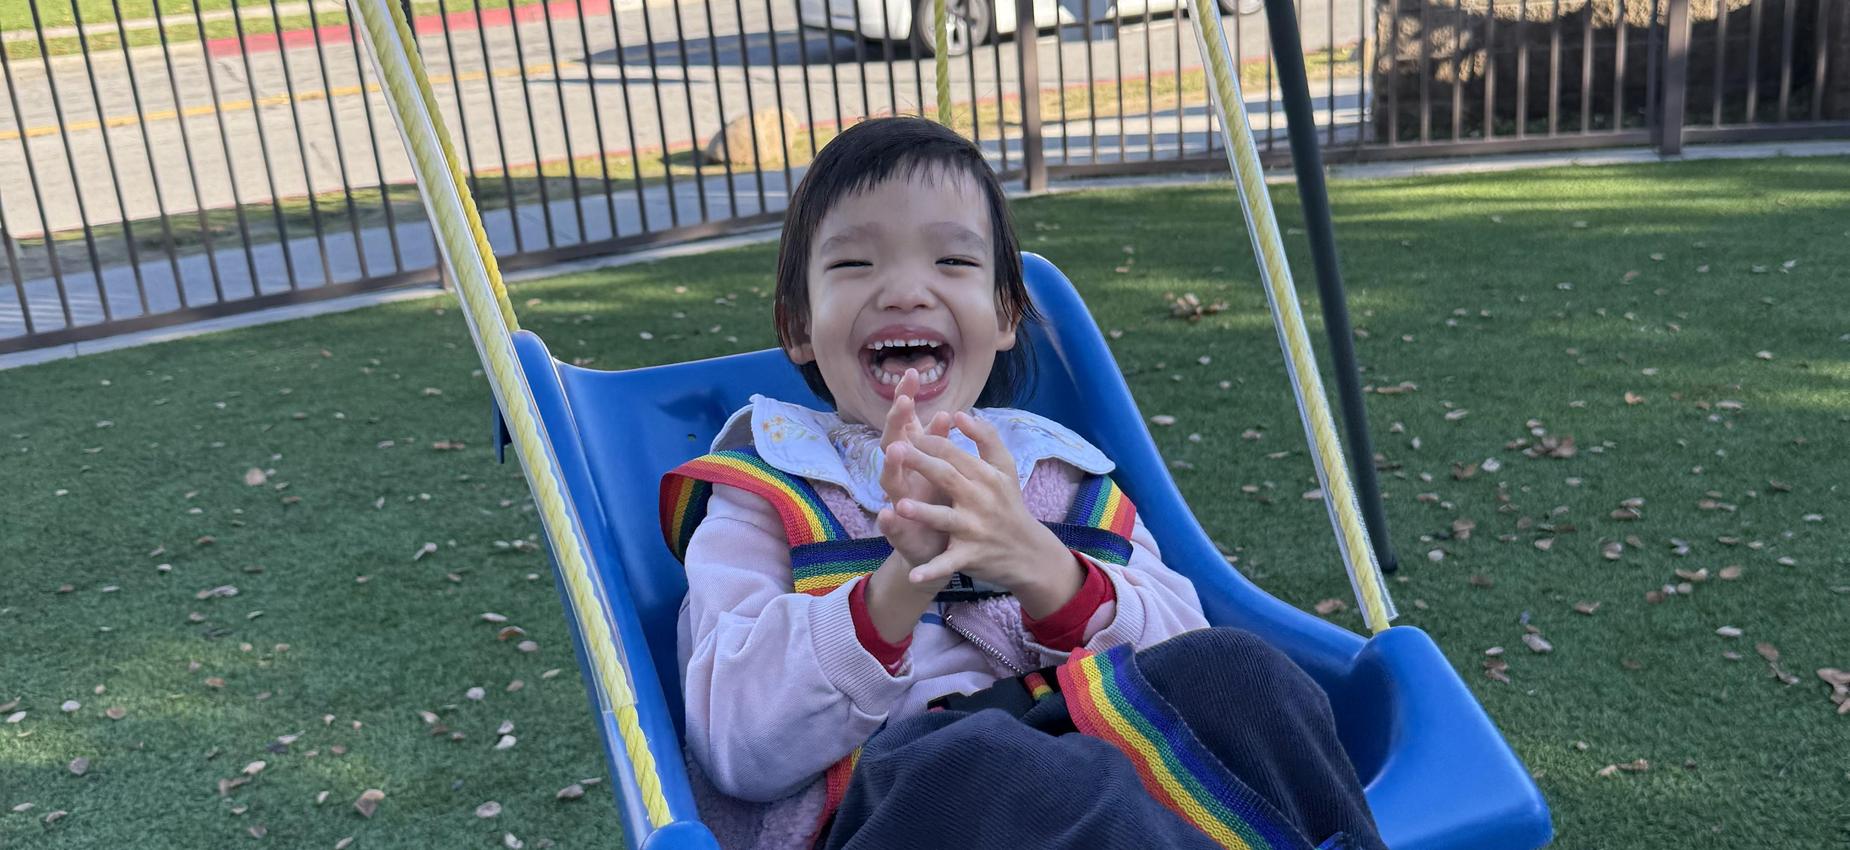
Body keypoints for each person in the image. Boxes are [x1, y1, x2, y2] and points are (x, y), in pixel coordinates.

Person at [660, 116, 1383, 850]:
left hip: (1097, 759)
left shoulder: (1057, 479)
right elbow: (735, 744)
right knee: (1009, 769)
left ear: (1007, 313)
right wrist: (900, 583)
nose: (907, 291)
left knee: (1241, 671)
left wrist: (1043, 566)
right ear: (799, 326)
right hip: (903, 796)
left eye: (951, 261)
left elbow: (1180, 660)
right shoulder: (765, 493)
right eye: (853, 265)